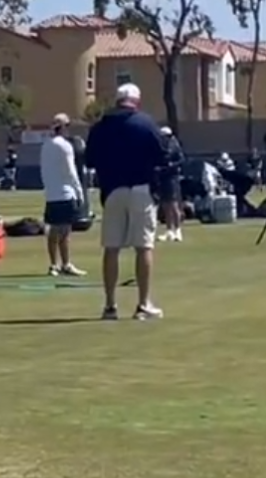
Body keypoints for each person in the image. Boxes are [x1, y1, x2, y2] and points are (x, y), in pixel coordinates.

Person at [83, 83, 163, 321]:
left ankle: (110, 305)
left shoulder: (100, 127)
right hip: (141, 188)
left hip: (112, 189)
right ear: (136, 101)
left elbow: (89, 160)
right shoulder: (146, 123)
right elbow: (162, 155)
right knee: (144, 246)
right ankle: (143, 304)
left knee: (111, 247)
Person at [39, 113, 86, 277]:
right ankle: (65, 264)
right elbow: (71, 171)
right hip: (65, 193)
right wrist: (79, 191)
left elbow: (44, 170)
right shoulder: (65, 146)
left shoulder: (46, 145)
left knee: (53, 231)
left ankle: (53, 264)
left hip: (51, 194)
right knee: (65, 232)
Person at [155, 125, 185, 243]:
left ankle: (178, 230)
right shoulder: (160, 146)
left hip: (172, 177)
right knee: (165, 205)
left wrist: (172, 165)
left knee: (173, 205)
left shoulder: (175, 146)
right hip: (163, 177)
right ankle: (169, 231)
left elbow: (181, 160)